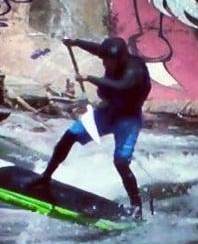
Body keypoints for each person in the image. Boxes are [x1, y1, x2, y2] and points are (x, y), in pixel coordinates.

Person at [33, 37, 151, 219]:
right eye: (104, 60)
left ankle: (137, 208)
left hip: (127, 120)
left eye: (108, 61)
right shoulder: (113, 57)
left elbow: (121, 86)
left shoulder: (135, 70)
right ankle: (45, 176)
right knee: (69, 136)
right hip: (107, 112)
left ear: (120, 58)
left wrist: (89, 78)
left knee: (120, 162)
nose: (105, 64)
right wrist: (76, 42)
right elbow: (98, 49)